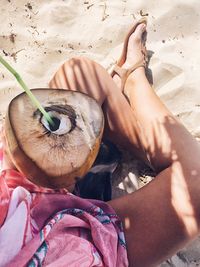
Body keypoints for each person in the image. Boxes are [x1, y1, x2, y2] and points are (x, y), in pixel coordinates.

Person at [1, 19, 200, 267]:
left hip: (13, 202)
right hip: (54, 249)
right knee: (196, 186)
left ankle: (154, 149)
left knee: (80, 75)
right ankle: (134, 78)